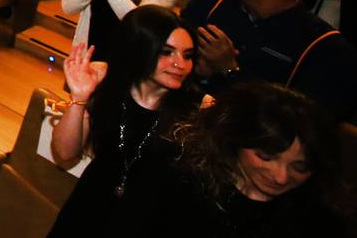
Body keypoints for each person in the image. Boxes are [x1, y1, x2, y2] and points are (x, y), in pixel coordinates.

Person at [110, 82, 346, 238]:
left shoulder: (315, 217)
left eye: (300, 167)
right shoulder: (176, 175)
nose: (281, 176)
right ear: (235, 140)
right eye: (265, 157)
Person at [46, 7, 200, 237]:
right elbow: (64, 152)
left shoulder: (198, 109)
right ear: (139, 49)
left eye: (187, 55)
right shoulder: (109, 87)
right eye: (167, 52)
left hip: (148, 220)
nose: (181, 64)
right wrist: (79, 98)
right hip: (89, 207)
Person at [182, 0, 357, 121]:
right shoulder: (209, 5)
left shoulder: (324, 47)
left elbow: (302, 122)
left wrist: (229, 71)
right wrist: (194, 70)